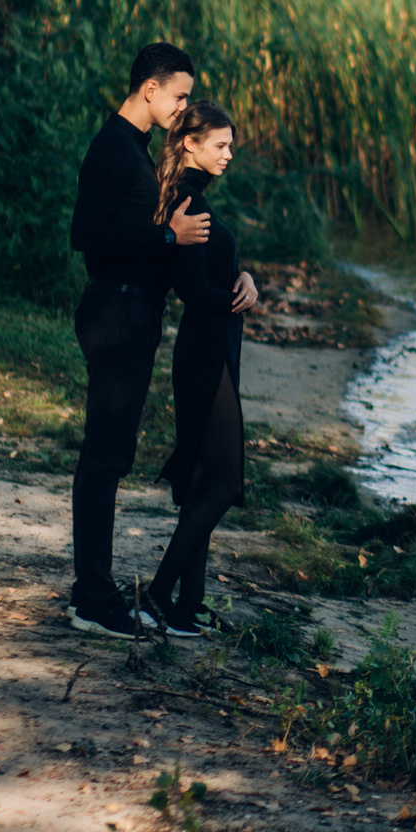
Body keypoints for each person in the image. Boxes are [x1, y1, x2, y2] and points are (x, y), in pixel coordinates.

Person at [65, 44, 257, 638]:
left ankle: (107, 592)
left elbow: (154, 243)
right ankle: (92, 598)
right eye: (178, 95)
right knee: (105, 456)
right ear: (150, 89)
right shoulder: (113, 148)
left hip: (135, 314)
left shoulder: (138, 152)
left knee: (114, 454)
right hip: (114, 312)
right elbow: (85, 235)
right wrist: (169, 238)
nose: (182, 107)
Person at [141, 98, 250, 637]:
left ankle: (189, 603)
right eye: (221, 145)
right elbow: (190, 289)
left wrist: (242, 277)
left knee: (208, 477)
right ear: (191, 143)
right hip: (205, 351)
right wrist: (239, 299)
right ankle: (158, 595)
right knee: (224, 482)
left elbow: (210, 269)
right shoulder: (188, 199)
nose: (228, 154)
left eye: (230, 146)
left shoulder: (193, 194)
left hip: (214, 346)